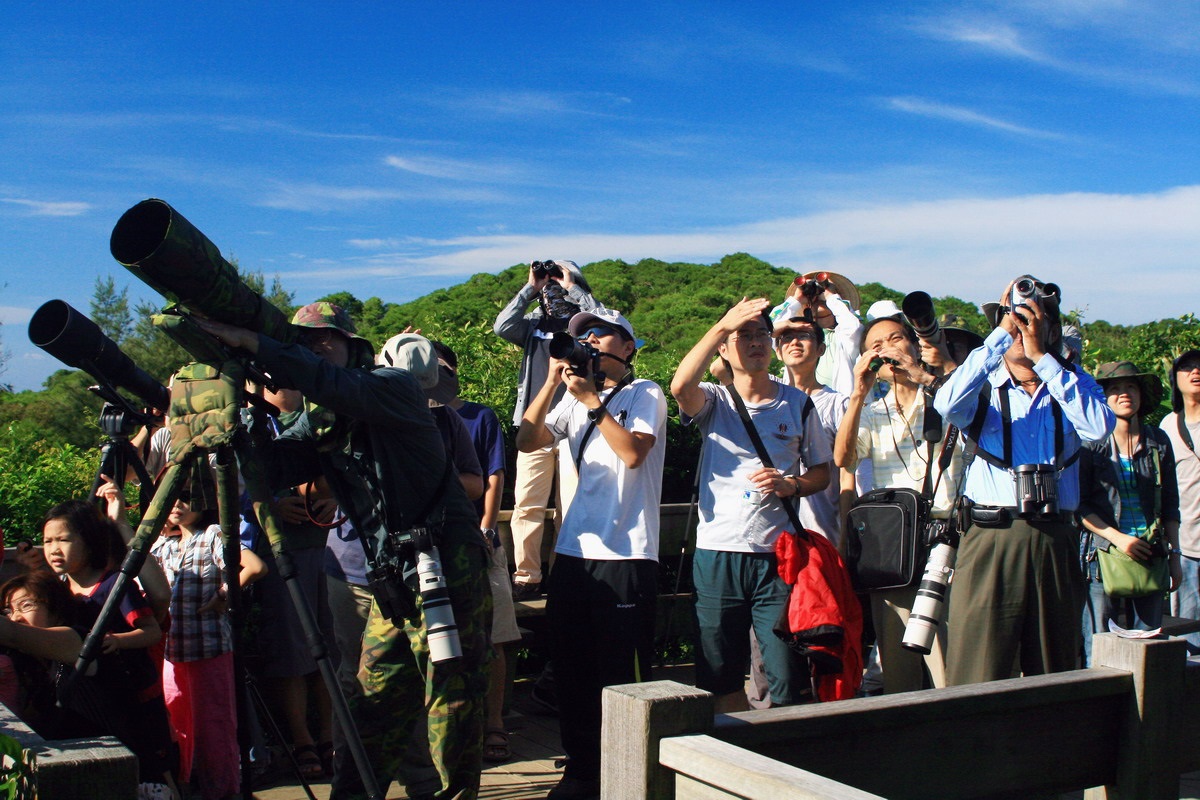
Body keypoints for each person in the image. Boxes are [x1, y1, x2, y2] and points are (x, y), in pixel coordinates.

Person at [196, 302, 491, 800]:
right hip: (393, 580)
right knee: (371, 703)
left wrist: (260, 345)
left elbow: (334, 386)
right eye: (305, 344)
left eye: (323, 341)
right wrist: (234, 418)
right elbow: (269, 473)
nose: (314, 351)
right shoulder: (325, 416)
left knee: (451, 703)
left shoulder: (390, 387)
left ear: (355, 348)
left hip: (446, 566)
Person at [516, 308, 666, 800]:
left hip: (628, 553)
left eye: (601, 334)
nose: (591, 341)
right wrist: (551, 383)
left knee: (622, 675)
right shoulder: (573, 399)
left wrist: (592, 401)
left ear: (627, 346)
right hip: (574, 553)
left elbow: (633, 453)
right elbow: (526, 440)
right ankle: (581, 771)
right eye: (585, 337)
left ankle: (630, 774)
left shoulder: (645, 393)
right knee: (573, 669)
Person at [934, 277, 1114, 685]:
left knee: (1055, 668)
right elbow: (945, 403)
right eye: (1015, 317)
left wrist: (1044, 357)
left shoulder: (1071, 384)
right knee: (977, 668)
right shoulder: (982, 388)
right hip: (990, 538)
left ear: (1052, 329)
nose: (1023, 326)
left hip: (1055, 539)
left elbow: (1099, 429)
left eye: (1036, 319)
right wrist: (1001, 334)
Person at [671, 298, 831, 712]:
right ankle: (732, 762)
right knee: (718, 672)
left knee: (787, 674)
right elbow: (679, 388)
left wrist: (790, 483)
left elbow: (822, 473)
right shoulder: (713, 400)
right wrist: (723, 325)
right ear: (724, 347)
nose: (756, 342)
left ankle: (785, 762)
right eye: (744, 335)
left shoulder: (798, 404)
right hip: (718, 551)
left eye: (763, 334)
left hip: (778, 555)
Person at [833, 312, 963, 693]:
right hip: (898, 550)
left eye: (894, 340)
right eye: (876, 346)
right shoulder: (871, 412)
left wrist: (925, 378)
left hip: (949, 542)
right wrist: (859, 391)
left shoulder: (947, 399)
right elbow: (843, 459)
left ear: (914, 345)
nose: (887, 350)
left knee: (951, 666)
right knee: (899, 670)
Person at [0, 568, 178, 797]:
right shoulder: (33, 666)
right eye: (8, 610)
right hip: (80, 778)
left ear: (56, 609)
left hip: (129, 780)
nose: (16, 617)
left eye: (26, 606)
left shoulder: (79, 642)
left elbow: (12, 633)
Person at [431, 340, 521, 765]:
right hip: (432, 548)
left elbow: (494, 475)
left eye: (445, 366)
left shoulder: (479, 415)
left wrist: (487, 526)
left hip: (479, 540)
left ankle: (495, 724)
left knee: (496, 636)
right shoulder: (404, 413)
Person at [495, 259, 603, 599]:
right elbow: (502, 326)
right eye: (550, 280)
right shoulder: (532, 325)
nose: (553, 286)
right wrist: (531, 287)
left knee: (570, 504)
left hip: (575, 425)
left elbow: (609, 323)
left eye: (558, 279)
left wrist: (574, 289)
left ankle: (563, 574)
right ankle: (527, 576)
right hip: (535, 423)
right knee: (527, 502)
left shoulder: (586, 327)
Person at [151, 490, 267, 800]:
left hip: (209, 647)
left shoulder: (212, 534)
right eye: (171, 499)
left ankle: (222, 790)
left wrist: (223, 595)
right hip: (173, 652)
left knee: (214, 724)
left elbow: (254, 566)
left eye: (185, 498)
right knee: (176, 721)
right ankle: (189, 785)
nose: (176, 505)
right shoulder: (165, 544)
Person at [1079, 361, 1181, 665]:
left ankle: (1146, 710)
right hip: (1101, 557)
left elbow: (1171, 504)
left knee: (1150, 645)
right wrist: (1117, 538)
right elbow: (1079, 506)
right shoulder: (1090, 444)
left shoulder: (1157, 442)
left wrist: (1174, 556)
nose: (1124, 394)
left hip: (1151, 553)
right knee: (1097, 644)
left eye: (1131, 387)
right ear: (1104, 398)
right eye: (1116, 389)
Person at [1165, 349, 1200, 655]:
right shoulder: (1167, 427)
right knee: (1187, 633)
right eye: (1187, 368)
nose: (1195, 372)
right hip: (1186, 545)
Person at [779, 270, 863, 396]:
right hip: (798, 405)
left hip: (836, 407)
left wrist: (831, 296)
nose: (819, 299)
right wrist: (797, 300)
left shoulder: (844, 338)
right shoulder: (795, 339)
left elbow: (853, 327)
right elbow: (771, 329)